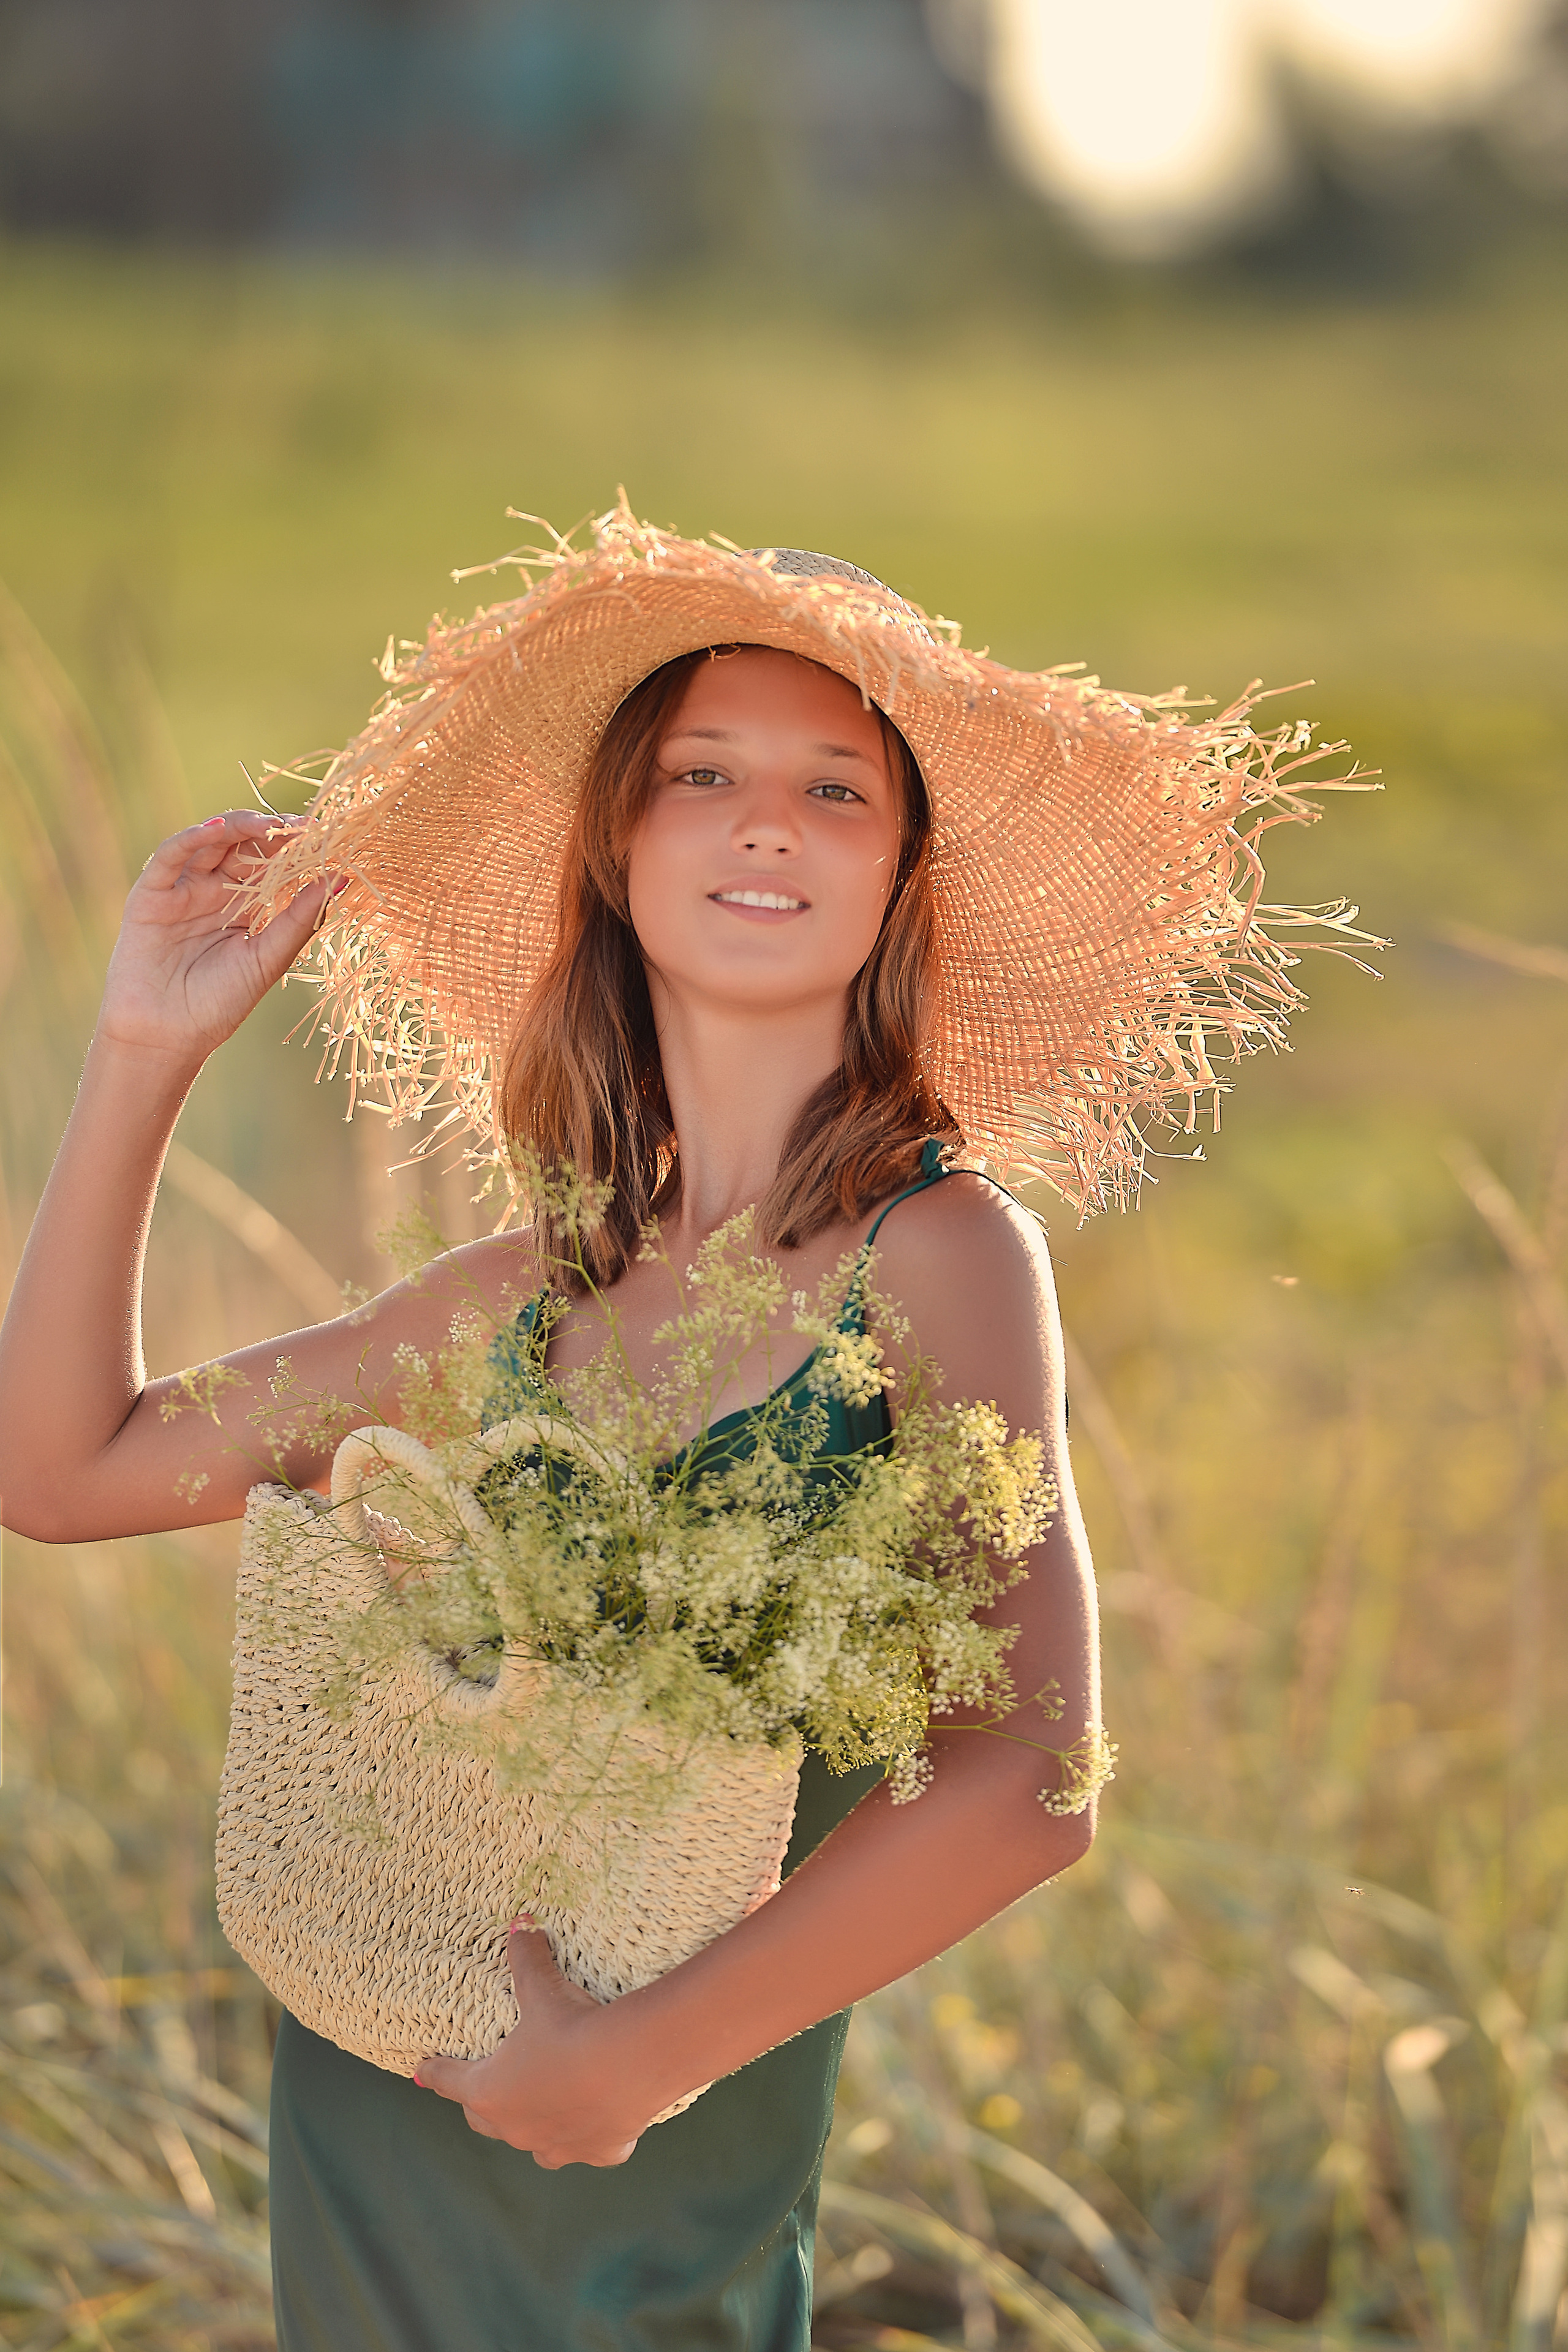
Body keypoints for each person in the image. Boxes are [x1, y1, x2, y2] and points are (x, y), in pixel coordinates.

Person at [0, 505, 1316, 2351]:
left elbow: (1030, 1771)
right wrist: (141, 1058)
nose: (766, 817)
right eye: (703, 771)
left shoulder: (936, 1257)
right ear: (619, 850)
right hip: (379, 2106)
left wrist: (630, 2064)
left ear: (899, 887)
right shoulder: (506, 1308)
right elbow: (59, 1473)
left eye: (838, 789)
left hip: (648, 2158)